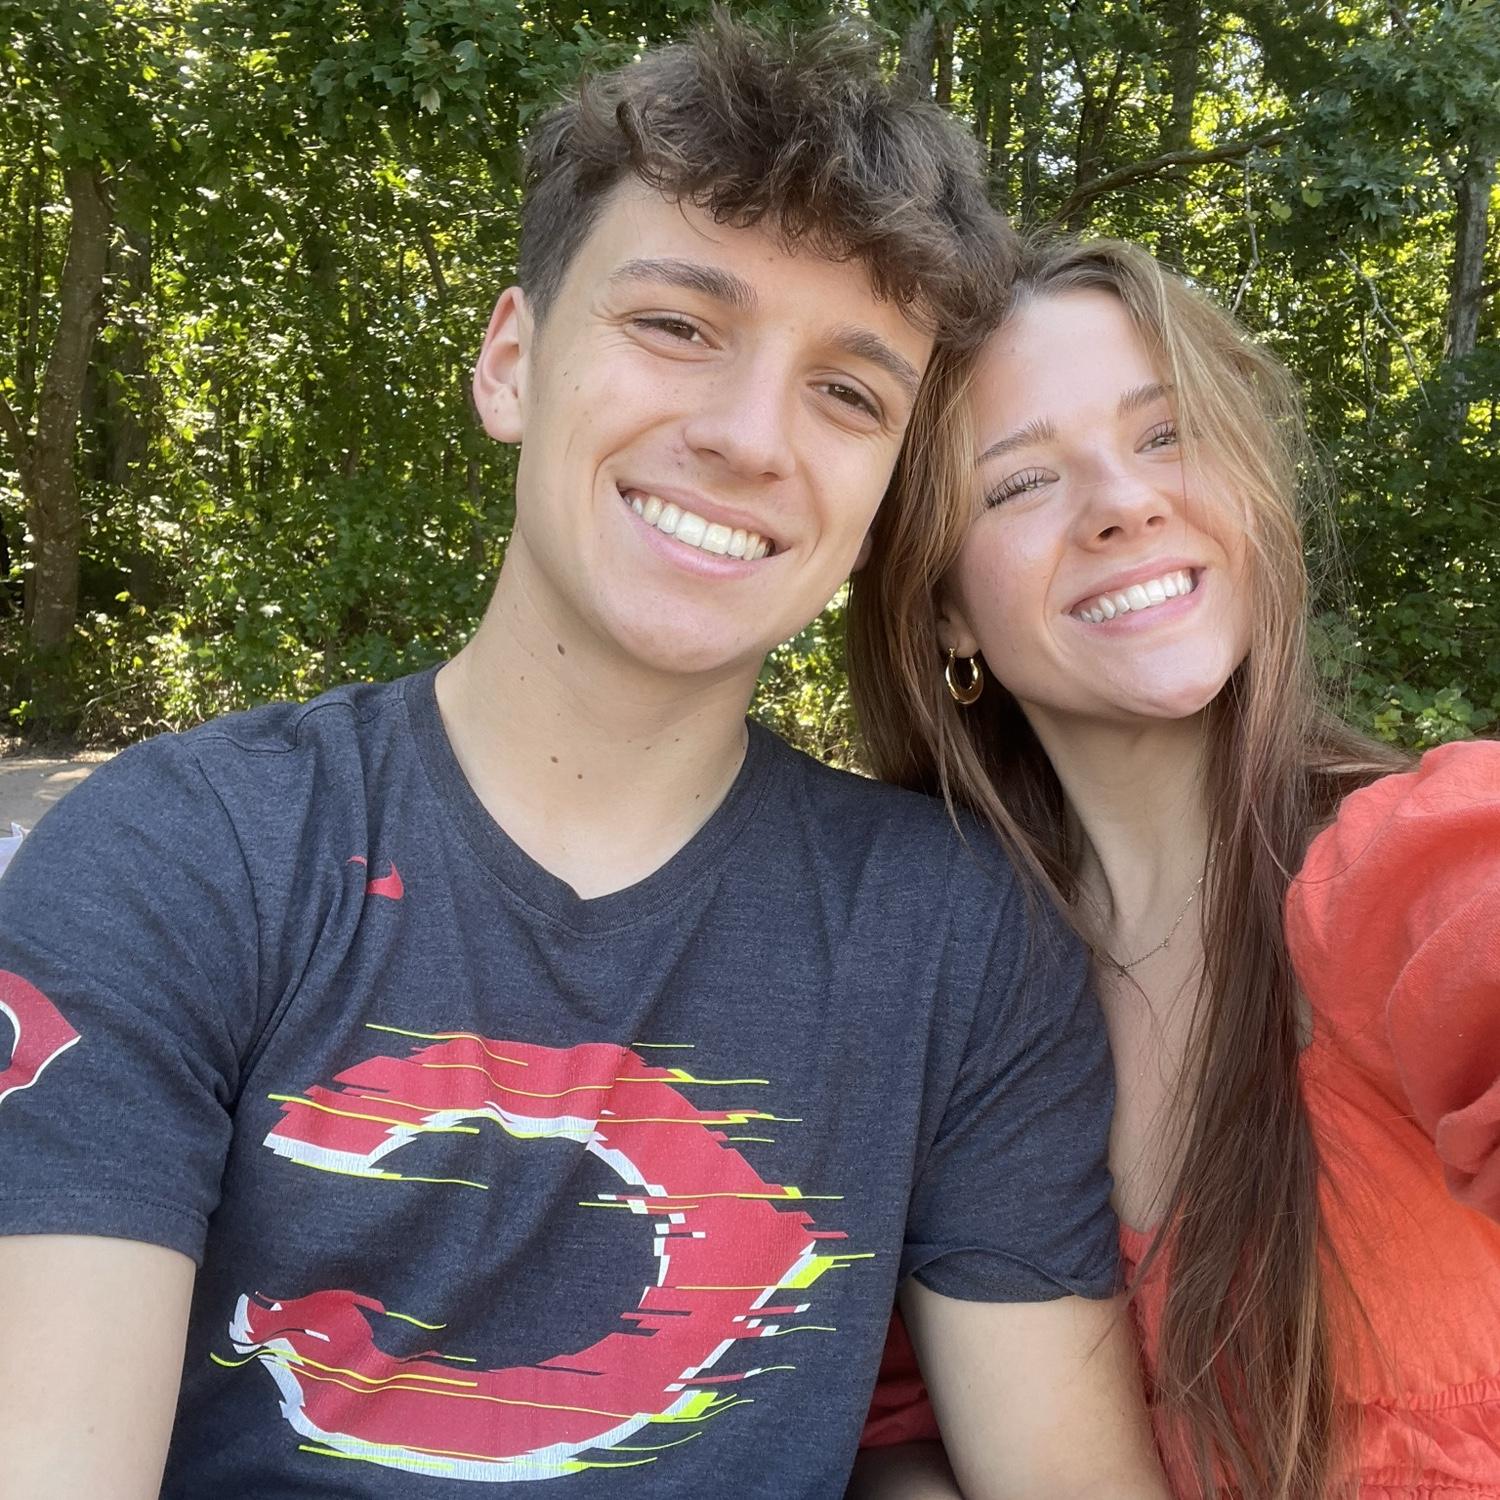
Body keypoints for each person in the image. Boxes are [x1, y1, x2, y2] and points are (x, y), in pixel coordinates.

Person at [0, 22, 1173, 1500]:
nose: (749, 437)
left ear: (885, 497)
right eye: (677, 324)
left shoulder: (955, 942)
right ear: (512, 363)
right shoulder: (180, 858)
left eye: (849, 392)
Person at [846, 233, 1500, 1498]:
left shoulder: (1411, 859)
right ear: (946, 609)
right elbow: (893, 1425)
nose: (1123, 502)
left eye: (1164, 436)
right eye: (1020, 483)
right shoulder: (939, 979)